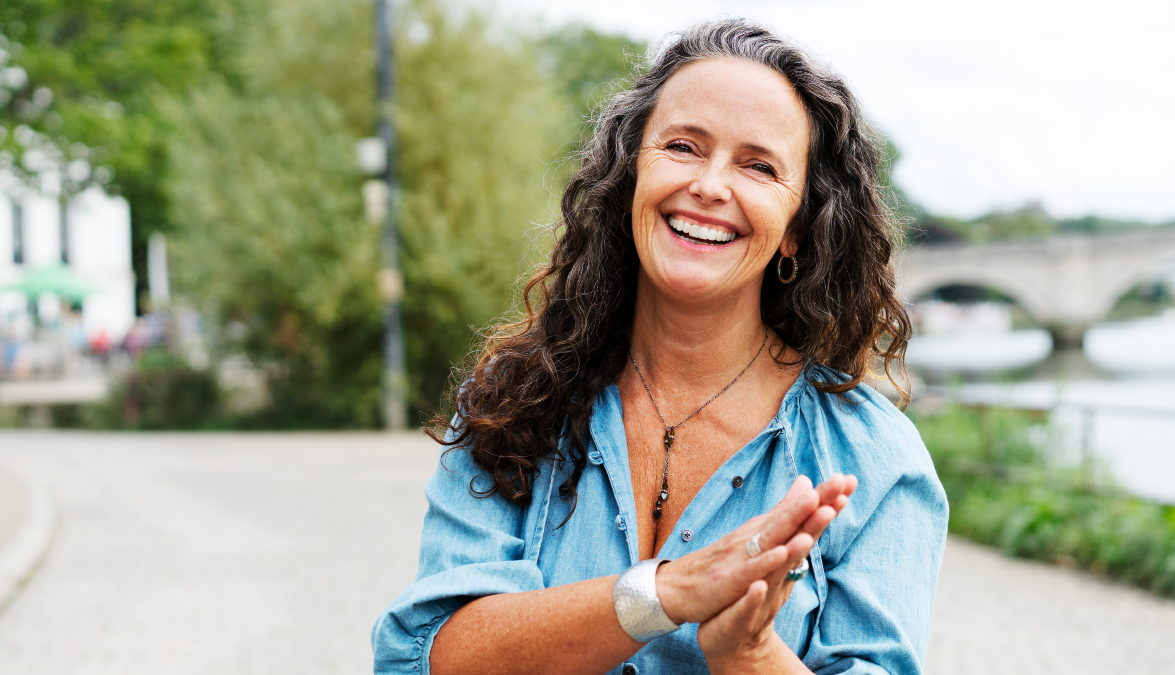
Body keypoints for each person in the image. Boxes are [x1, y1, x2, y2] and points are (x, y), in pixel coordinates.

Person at [373, 19, 947, 675]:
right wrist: (662, 593)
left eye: (758, 165)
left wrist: (750, 652)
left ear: (798, 230)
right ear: (629, 178)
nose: (710, 184)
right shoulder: (511, 400)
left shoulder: (876, 460)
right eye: (682, 146)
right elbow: (424, 655)